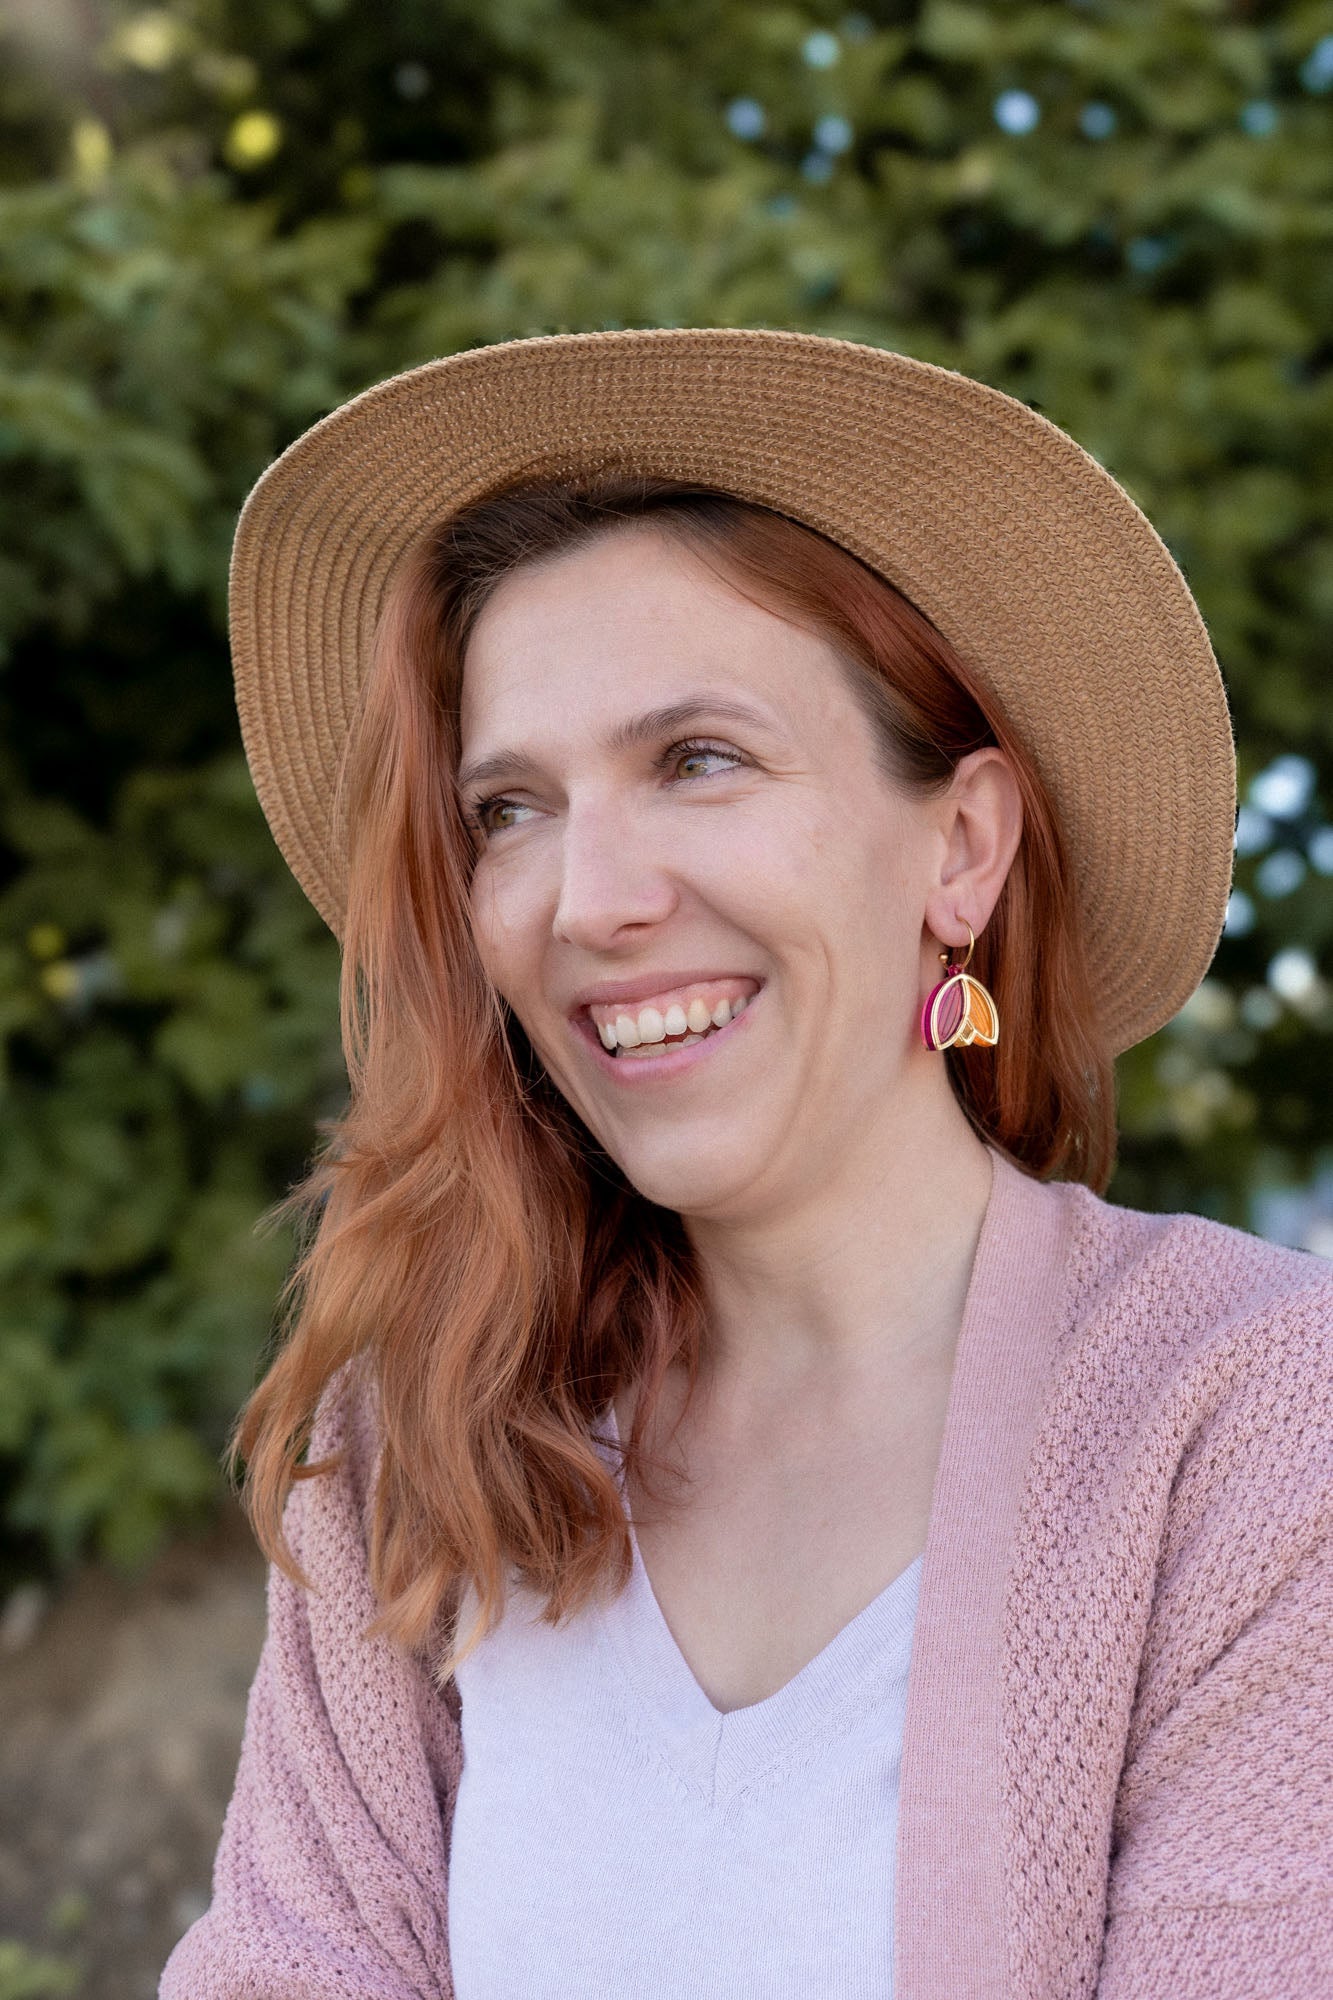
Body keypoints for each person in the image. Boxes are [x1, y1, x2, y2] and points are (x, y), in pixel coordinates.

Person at [160, 329, 1333, 2000]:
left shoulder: (1250, 1426)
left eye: (694, 761)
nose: (587, 899)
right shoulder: (422, 1439)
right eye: (508, 809)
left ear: (961, 844)